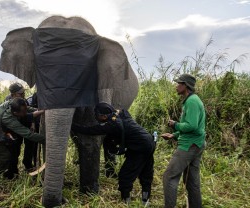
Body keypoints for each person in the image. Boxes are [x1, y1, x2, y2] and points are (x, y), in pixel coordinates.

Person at [71, 102, 156, 205]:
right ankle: (145, 201)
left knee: (125, 176)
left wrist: (72, 126)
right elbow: (121, 112)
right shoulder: (122, 114)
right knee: (146, 174)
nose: (96, 118)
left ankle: (126, 202)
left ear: (104, 116)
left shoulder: (112, 125)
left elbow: (91, 130)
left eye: (97, 116)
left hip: (139, 147)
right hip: (150, 142)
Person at [161, 74, 206, 208]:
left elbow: (192, 126)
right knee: (191, 181)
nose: (176, 86)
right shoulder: (192, 100)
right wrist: (174, 135)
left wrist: (175, 124)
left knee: (169, 177)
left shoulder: (192, 101)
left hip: (189, 146)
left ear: (185, 86)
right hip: (196, 143)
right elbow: (192, 125)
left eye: (178, 83)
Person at [0, 97, 44, 178]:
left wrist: (37, 110)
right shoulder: (8, 119)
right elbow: (29, 134)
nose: (25, 112)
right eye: (23, 112)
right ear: (15, 113)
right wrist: (46, 140)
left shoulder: (11, 104)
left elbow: (27, 109)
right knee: (4, 156)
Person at [4, 83, 38, 178]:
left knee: (30, 146)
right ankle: (13, 171)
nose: (23, 95)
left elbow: (29, 111)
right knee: (15, 150)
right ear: (13, 94)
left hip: (26, 125)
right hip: (15, 129)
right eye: (20, 93)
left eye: (23, 92)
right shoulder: (8, 102)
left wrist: (32, 123)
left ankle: (27, 164)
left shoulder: (23, 100)